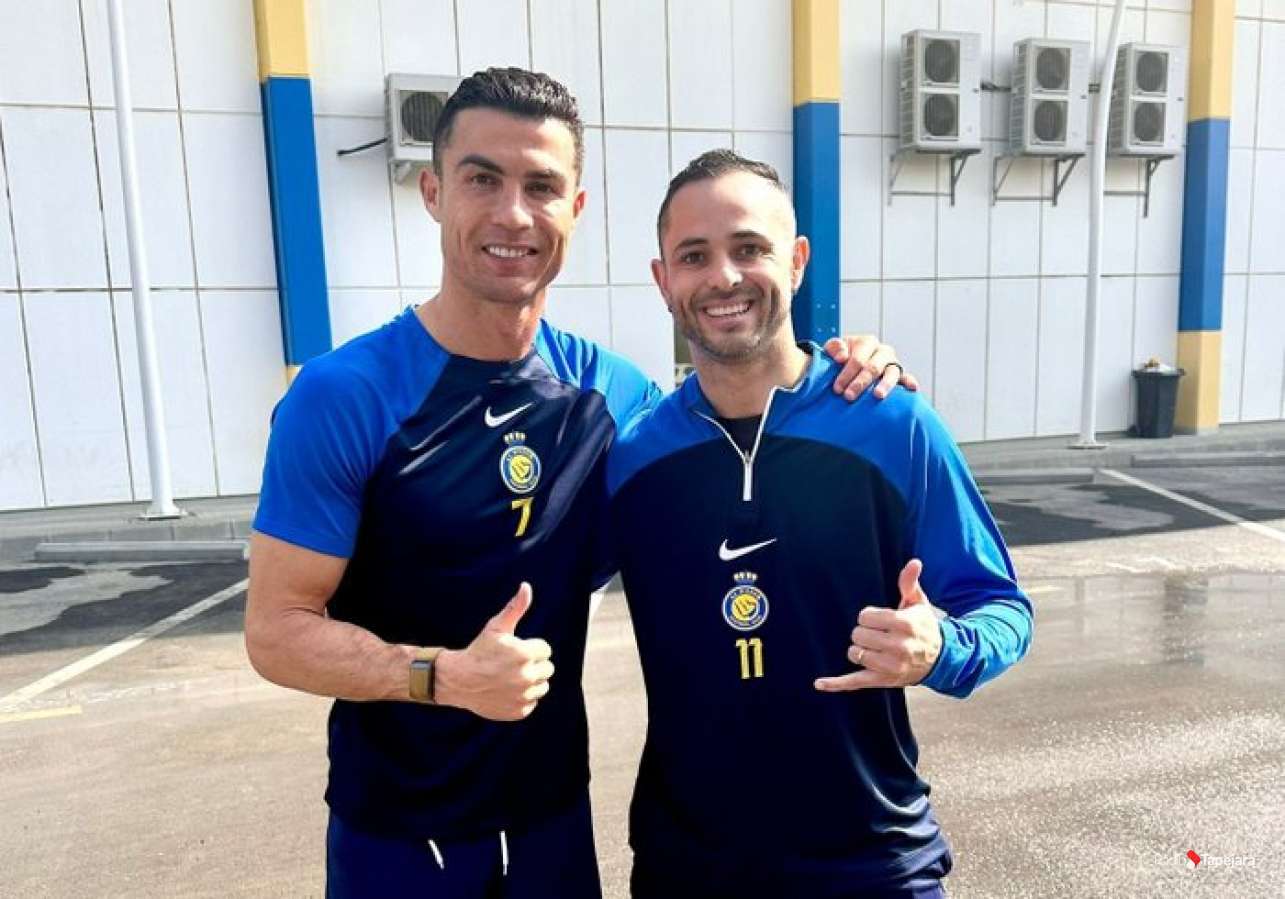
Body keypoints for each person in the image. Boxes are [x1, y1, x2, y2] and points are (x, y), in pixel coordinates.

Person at [243, 69, 914, 898]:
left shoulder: (615, 396)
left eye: (541, 186)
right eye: (481, 179)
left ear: (576, 209)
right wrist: (439, 676)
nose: (512, 214)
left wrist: (844, 363)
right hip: (397, 838)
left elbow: (737, 414)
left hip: (552, 829)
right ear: (431, 192)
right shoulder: (344, 395)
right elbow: (275, 630)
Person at [606, 150, 1034, 898]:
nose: (724, 278)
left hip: (869, 861)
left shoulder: (889, 421)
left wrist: (940, 645)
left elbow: (1001, 608)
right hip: (688, 866)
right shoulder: (634, 455)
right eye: (694, 256)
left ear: (796, 260)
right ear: (662, 279)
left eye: (749, 249)